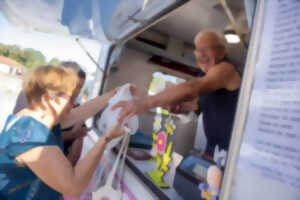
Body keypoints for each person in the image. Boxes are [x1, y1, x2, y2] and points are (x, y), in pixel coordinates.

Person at [0, 65, 126, 200]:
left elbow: (81, 112)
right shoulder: (29, 135)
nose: (75, 103)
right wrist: (106, 138)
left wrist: (115, 94)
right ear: (47, 99)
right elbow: (74, 187)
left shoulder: (34, 118)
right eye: (71, 98)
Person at [112, 31, 241, 156]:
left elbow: (191, 89)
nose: (201, 54)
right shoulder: (204, 75)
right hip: (213, 150)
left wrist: (146, 102)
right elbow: (196, 106)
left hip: (233, 153)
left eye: (207, 49)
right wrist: (178, 106)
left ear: (222, 51)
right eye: (198, 50)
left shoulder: (226, 69)